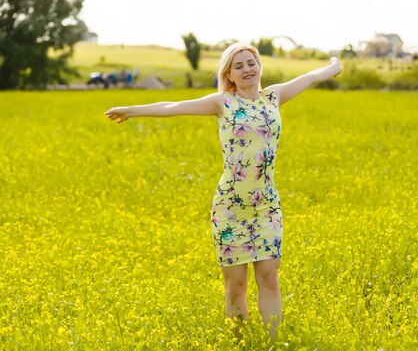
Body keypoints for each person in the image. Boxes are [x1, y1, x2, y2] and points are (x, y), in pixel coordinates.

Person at [104, 43, 342, 339]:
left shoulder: (274, 96)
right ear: (229, 74)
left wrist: (333, 67)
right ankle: (239, 343)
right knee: (236, 285)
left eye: (251, 62)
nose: (247, 69)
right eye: (238, 66)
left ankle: (272, 343)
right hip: (230, 206)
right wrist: (132, 110)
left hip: (266, 204)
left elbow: (309, 77)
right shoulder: (222, 103)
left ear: (259, 65)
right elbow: (174, 108)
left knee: (269, 277)